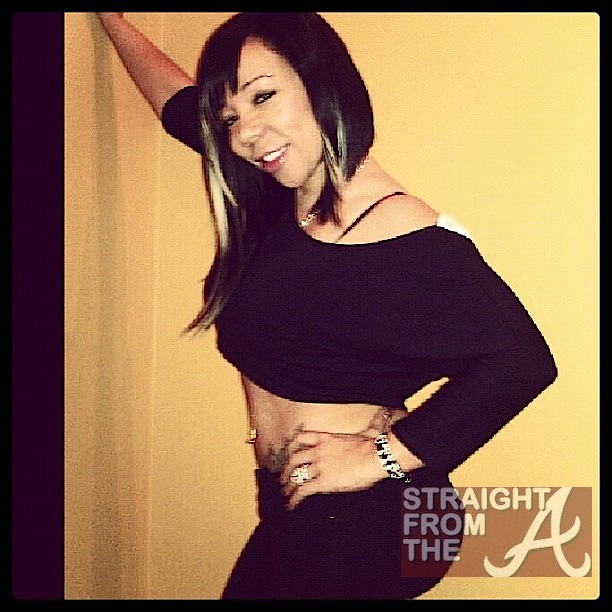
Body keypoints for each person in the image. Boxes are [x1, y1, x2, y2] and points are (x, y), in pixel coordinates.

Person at [96, 12, 557, 600]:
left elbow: (523, 362)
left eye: (264, 96)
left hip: (370, 513)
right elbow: (178, 104)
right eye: (232, 117)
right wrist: (112, 20)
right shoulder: (283, 203)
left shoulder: (403, 230)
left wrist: (380, 457)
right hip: (306, 503)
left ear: (323, 83)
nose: (245, 133)